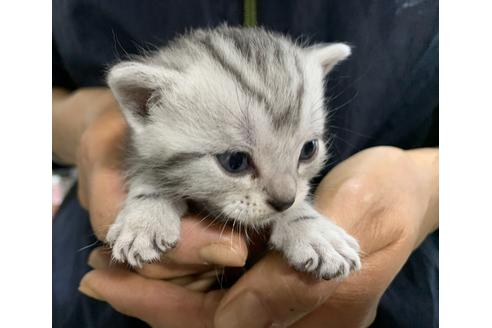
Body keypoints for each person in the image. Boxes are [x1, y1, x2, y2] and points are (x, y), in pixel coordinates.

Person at [52, 1, 438, 327]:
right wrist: (81, 124)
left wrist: (426, 187)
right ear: (144, 104)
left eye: (306, 151)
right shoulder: (157, 102)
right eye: (236, 161)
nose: (286, 193)